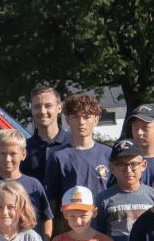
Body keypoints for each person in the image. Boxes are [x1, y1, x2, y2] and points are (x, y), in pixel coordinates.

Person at [44, 92, 113, 222]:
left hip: (102, 226)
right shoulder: (58, 157)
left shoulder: (108, 155)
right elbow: (51, 202)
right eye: (75, 117)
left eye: (86, 117)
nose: (81, 122)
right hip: (71, 227)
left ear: (96, 120)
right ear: (67, 120)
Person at [0, 129, 54, 239]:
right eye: (3, 153)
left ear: (23, 154)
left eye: (13, 154)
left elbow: (46, 218)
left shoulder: (34, 185)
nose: (7, 159)